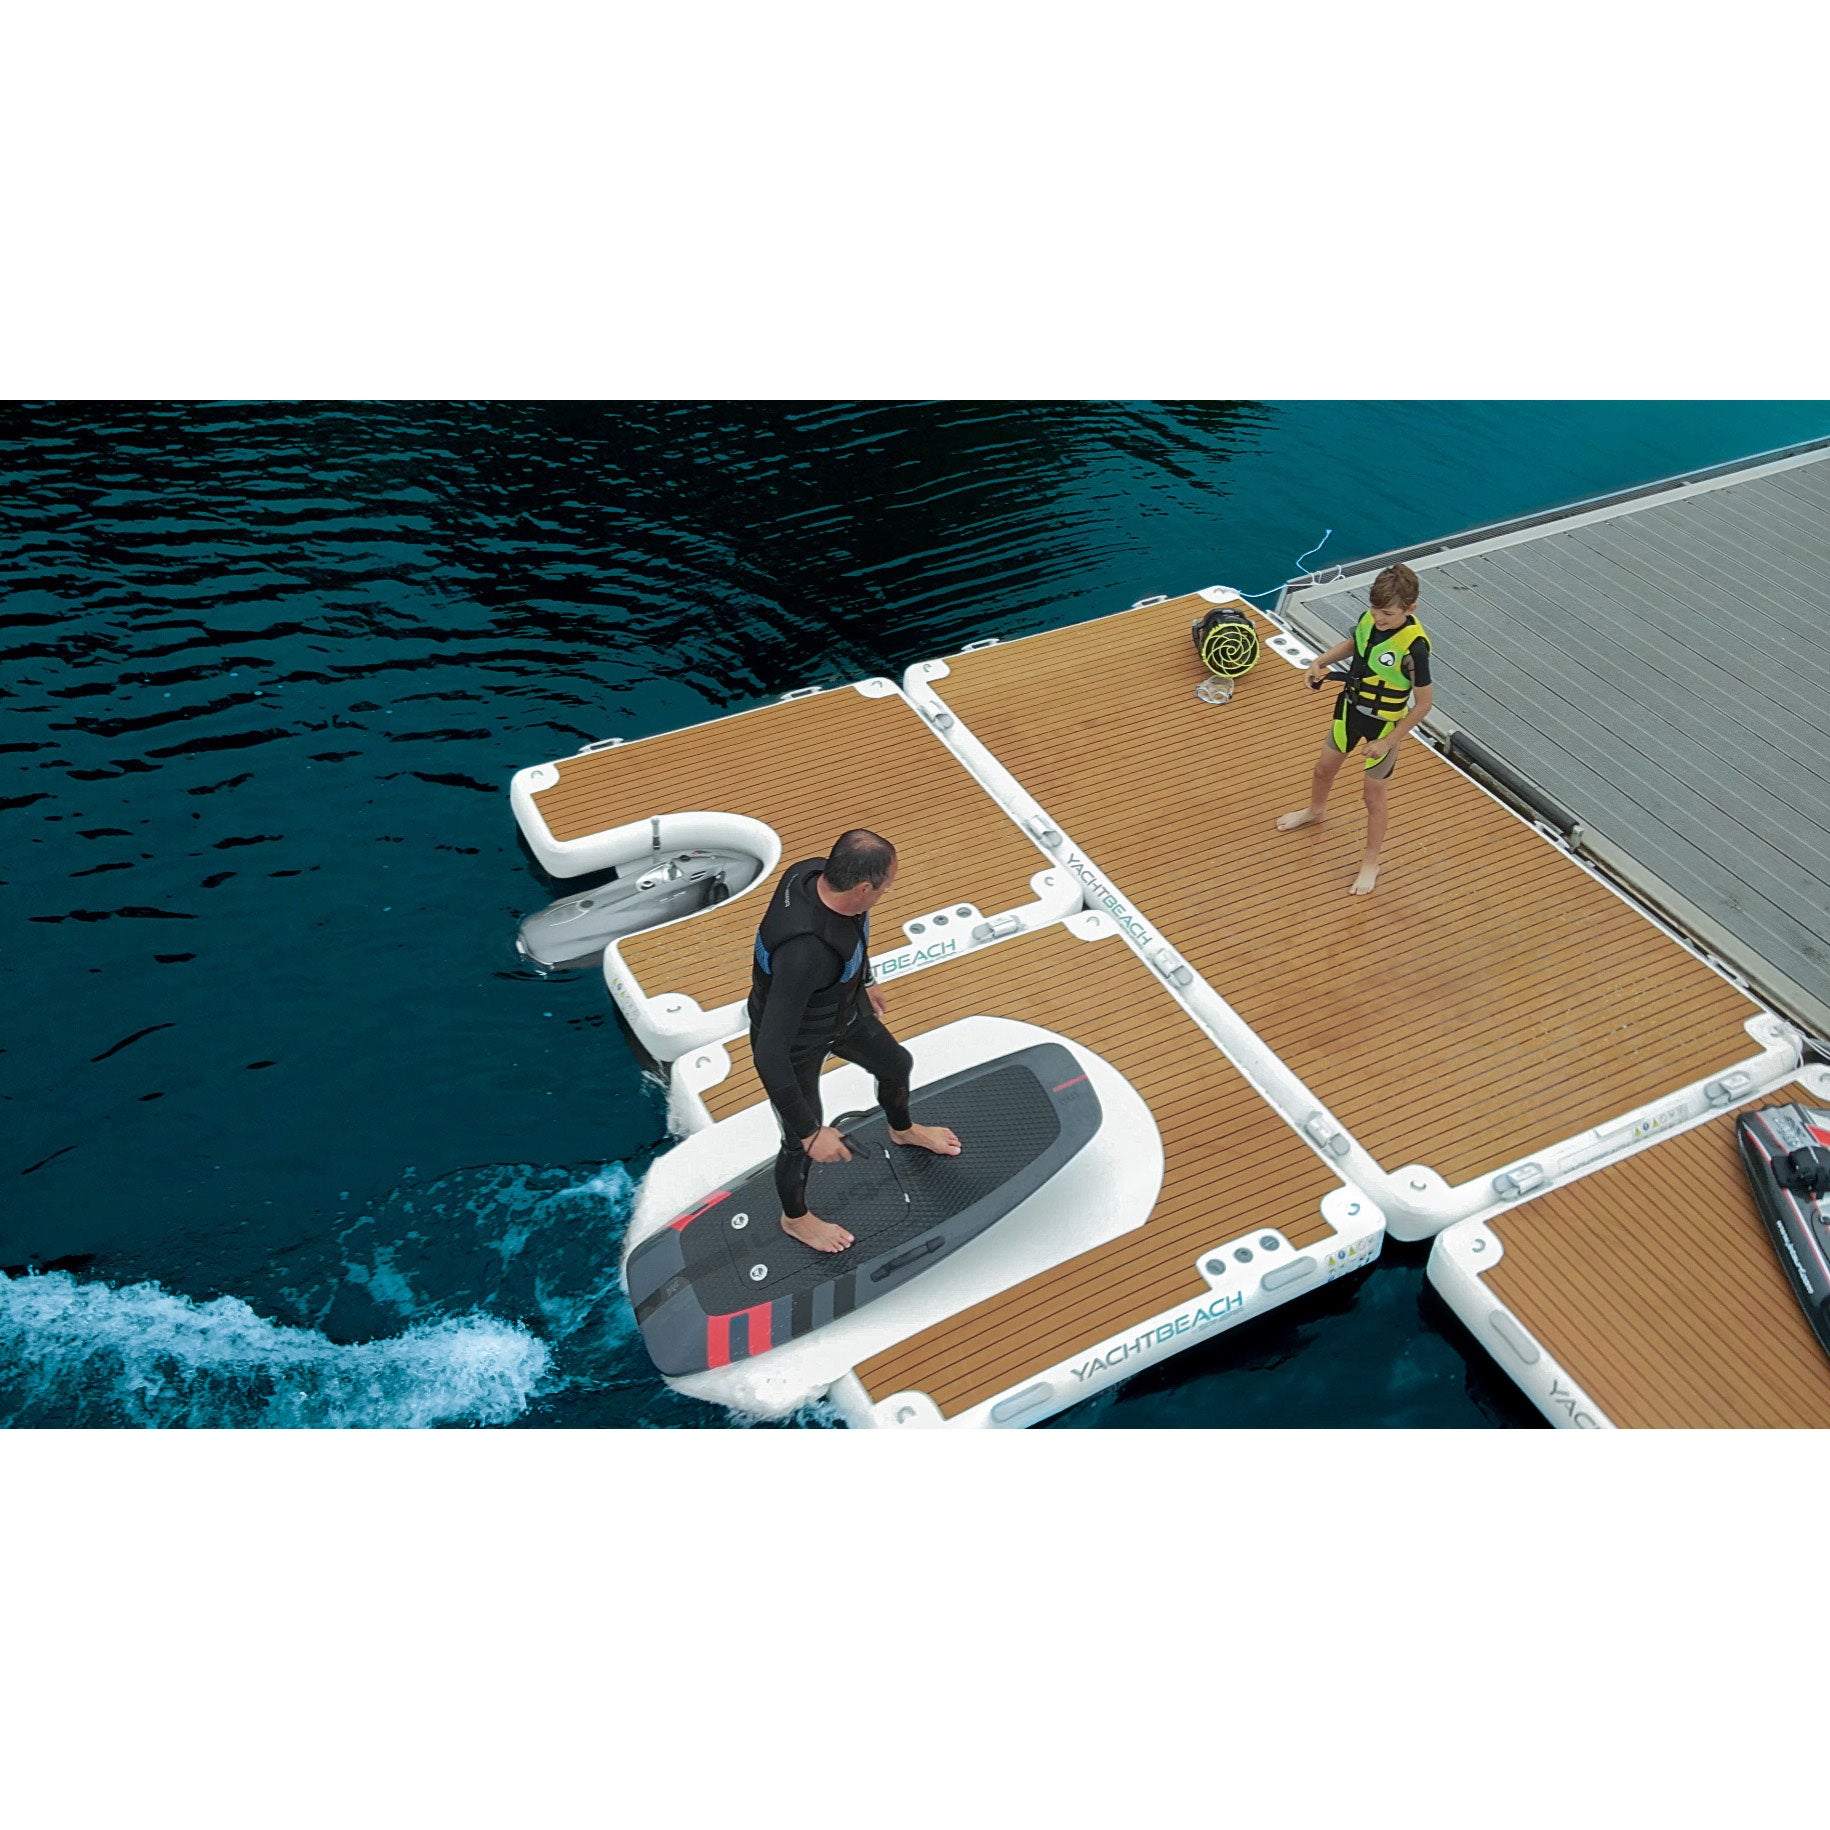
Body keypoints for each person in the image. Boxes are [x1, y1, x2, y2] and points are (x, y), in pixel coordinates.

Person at [747, 829, 962, 1252]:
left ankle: (902, 1130)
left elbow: (853, 929)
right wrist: (811, 1132)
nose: (888, 892)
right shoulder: (804, 952)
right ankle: (796, 1219)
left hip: (842, 1012)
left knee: (895, 1064)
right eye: (886, 887)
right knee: (795, 1145)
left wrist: (864, 978)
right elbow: (769, 1050)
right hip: (795, 1044)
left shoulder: (811, 873)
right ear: (864, 888)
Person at [1275, 562, 1434, 894]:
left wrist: (1389, 742)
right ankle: (1315, 811)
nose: (1379, 618)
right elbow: (1354, 645)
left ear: (1410, 609)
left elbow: (1423, 705)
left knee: (1372, 797)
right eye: (1376, 610)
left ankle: (1371, 861)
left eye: (1388, 614)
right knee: (1323, 769)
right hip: (1350, 712)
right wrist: (1320, 662)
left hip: (1383, 727)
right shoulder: (1369, 619)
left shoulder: (1414, 649)